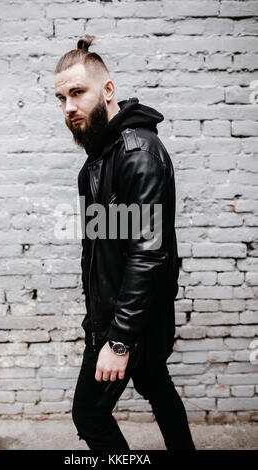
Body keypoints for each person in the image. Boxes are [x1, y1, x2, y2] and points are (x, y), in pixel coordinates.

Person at [54, 35, 196, 451]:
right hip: (121, 316)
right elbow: (103, 248)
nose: (68, 108)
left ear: (108, 90)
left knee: (89, 415)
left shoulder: (136, 154)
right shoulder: (99, 159)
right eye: (61, 98)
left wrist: (117, 340)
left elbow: (148, 254)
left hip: (131, 322)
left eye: (78, 93)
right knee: (156, 383)